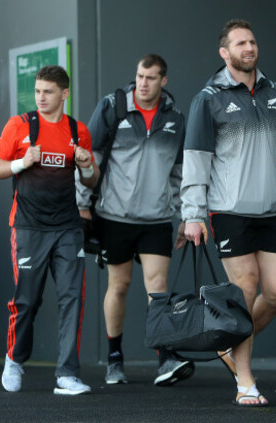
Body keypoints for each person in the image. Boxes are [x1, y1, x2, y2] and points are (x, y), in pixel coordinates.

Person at [181, 19, 276, 407]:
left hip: (272, 212)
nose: (249, 48)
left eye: (252, 41)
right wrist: (193, 214)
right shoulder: (207, 99)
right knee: (245, 289)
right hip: (229, 212)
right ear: (224, 53)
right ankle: (245, 379)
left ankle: (229, 344)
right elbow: (196, 161)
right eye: (240, 43)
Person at [0, 65, 99, 395]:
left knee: (72, 298)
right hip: (29, 227)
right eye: (37, 91)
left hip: (67, 226)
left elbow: (93, 178)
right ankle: (15, 359)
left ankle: (67, 374)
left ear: (64, 94)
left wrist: (86, 164)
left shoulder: (77, 131)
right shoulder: (20, 125)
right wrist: (21, 163)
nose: (41, 97)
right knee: (28, 300)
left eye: (48, 92)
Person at [81, 54, 192, 386]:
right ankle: (115, 358)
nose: (143, 83)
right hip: (115, 216)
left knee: (158, 288)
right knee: (120, 285)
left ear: (163, 81)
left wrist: (186, 215)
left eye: (151, 78)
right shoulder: (112, 108)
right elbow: (90, 157)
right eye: (140, 76)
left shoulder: (176, 119)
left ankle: (164, 358)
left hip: (157, 218)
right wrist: (82, 204)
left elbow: (180, 172)